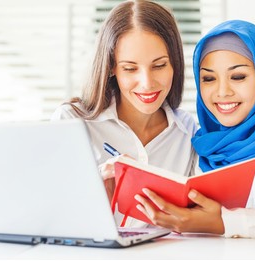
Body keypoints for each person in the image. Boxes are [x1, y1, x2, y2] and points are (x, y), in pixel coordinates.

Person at [135, 19, 255, 238]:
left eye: (238, 77)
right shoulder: (201, 147)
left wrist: (227, 222)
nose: (222, 92)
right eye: (208, 78)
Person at [51, 0, 197, 227]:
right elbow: (51, 217)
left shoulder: (187, 132)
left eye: (159, 65)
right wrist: (93, 188)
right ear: (111, 67)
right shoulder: (71, 122)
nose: (147, 83)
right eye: (130, 68)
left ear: (174, 64)